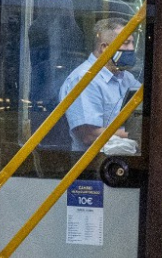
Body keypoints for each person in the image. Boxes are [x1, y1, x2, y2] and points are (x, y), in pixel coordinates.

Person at [60, 13, 141, 153]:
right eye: (126, 43)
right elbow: (89, 134)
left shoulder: (126, 78)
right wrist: (139, 136)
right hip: (92, 165)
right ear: (105, 47)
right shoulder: (84, 79)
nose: (131, 48)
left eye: (132, 43)